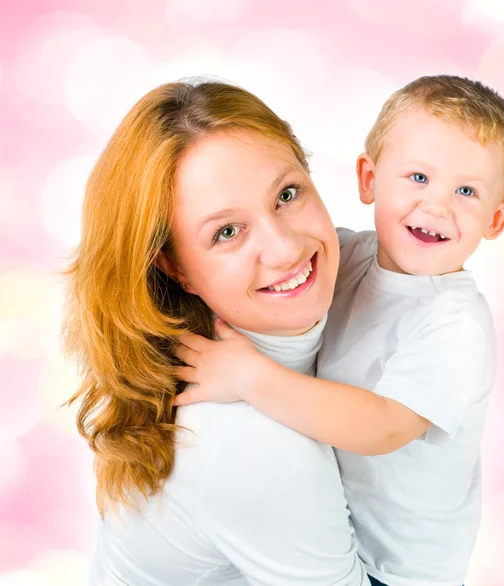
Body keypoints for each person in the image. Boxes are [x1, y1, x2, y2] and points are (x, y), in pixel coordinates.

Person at [173, 75, 504, 586]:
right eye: (418, 178)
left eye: (467, 191)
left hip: (400, 571)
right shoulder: (348, 255)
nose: (437, 206)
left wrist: (250, 379)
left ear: (497, 218)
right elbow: (263, 281)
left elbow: (381, 427)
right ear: (368, 179)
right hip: (330, 528)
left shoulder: (455, 326)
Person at [64, 79, 369, 585]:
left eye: (287, 195)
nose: (285, 248)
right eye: (226, 232)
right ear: (174, 267)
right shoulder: (249, 446)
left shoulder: (356, 282)